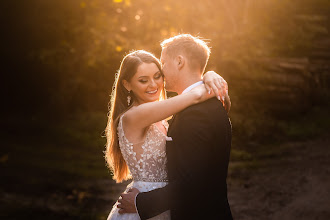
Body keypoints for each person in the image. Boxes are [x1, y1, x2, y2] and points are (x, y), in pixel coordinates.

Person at [117, 34, 233, 219]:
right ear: (127, 84)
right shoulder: (194, 105)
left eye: (162, 65)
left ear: (179, 62)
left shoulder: (195, 114)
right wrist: (211, 80)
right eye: (143, 80)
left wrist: (141, 203)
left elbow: (193, 183)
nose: (158, 79)